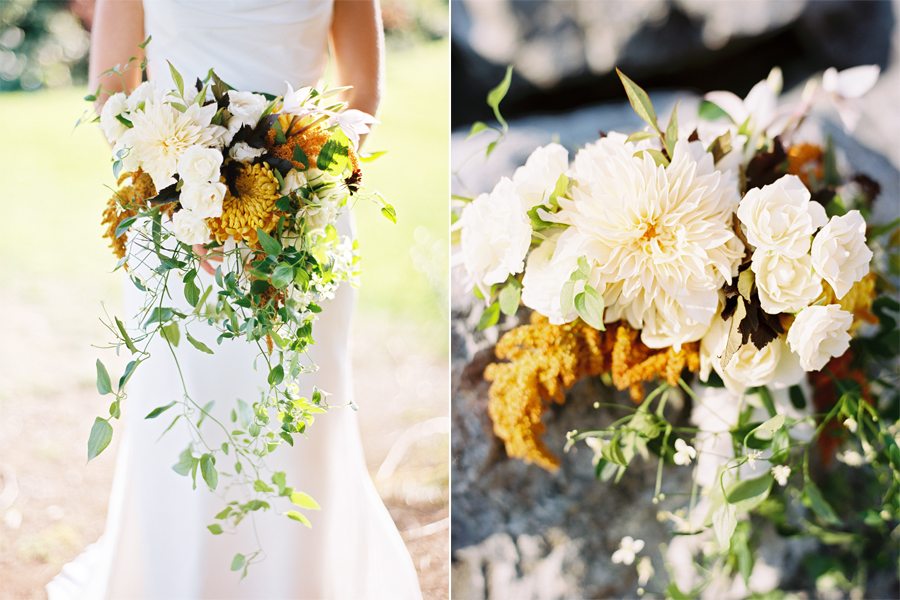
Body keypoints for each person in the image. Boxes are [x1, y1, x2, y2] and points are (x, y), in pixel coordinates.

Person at [47, 1, 422, 598]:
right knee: (186, 408)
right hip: (174, 225)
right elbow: (113, 93)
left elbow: (361, 96)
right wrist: (181, 200)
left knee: (296, 408)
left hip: (303, 226)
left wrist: (300, 189)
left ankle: (299, 579)